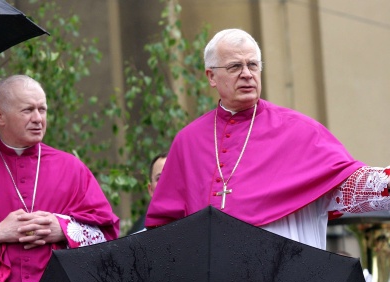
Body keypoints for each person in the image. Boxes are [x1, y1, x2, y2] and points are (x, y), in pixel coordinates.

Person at [145, 28, 390, 251]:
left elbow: (351, 183)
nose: (247, 74)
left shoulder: (300, 130)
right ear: (211, 76)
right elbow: (165, 229)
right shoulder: (188, 141)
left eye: (253, 65)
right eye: (234, 67)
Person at [0, 75, 120, 282]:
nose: (38, 118)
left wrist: (64, 229)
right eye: (28, 110)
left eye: (43, 109)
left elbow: (108, 233)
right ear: (0, 116)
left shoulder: (71, 167)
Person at [127, 153, 167, 235]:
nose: (165, 183)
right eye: (159, 178)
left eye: (170, 176)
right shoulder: (137, 238)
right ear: (150, 189)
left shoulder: (196, 225)